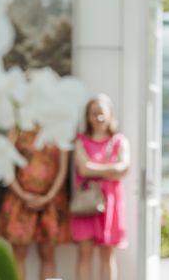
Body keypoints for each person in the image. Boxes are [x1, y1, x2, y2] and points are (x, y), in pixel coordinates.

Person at [0, 127, 71, 280]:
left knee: (48, 252)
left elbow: (63, 169)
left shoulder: (60, 129)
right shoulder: (16, 129)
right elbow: (5, 165)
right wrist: (22, 194)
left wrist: (48, 197)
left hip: (51, 202)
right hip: (19, 200)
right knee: (19, 253)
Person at [71, 94, 130, 280]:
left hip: (110, 203)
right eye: (94, 113)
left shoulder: (120, 141)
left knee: (108, 255)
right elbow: (84, 168)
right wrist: (110, 169)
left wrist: (93, 168)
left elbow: (123, 168)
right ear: (88, 117)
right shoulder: (81, 140)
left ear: (110, 114)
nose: (98, 118)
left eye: (102, 113)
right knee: (84, 255)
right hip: (86, 202)